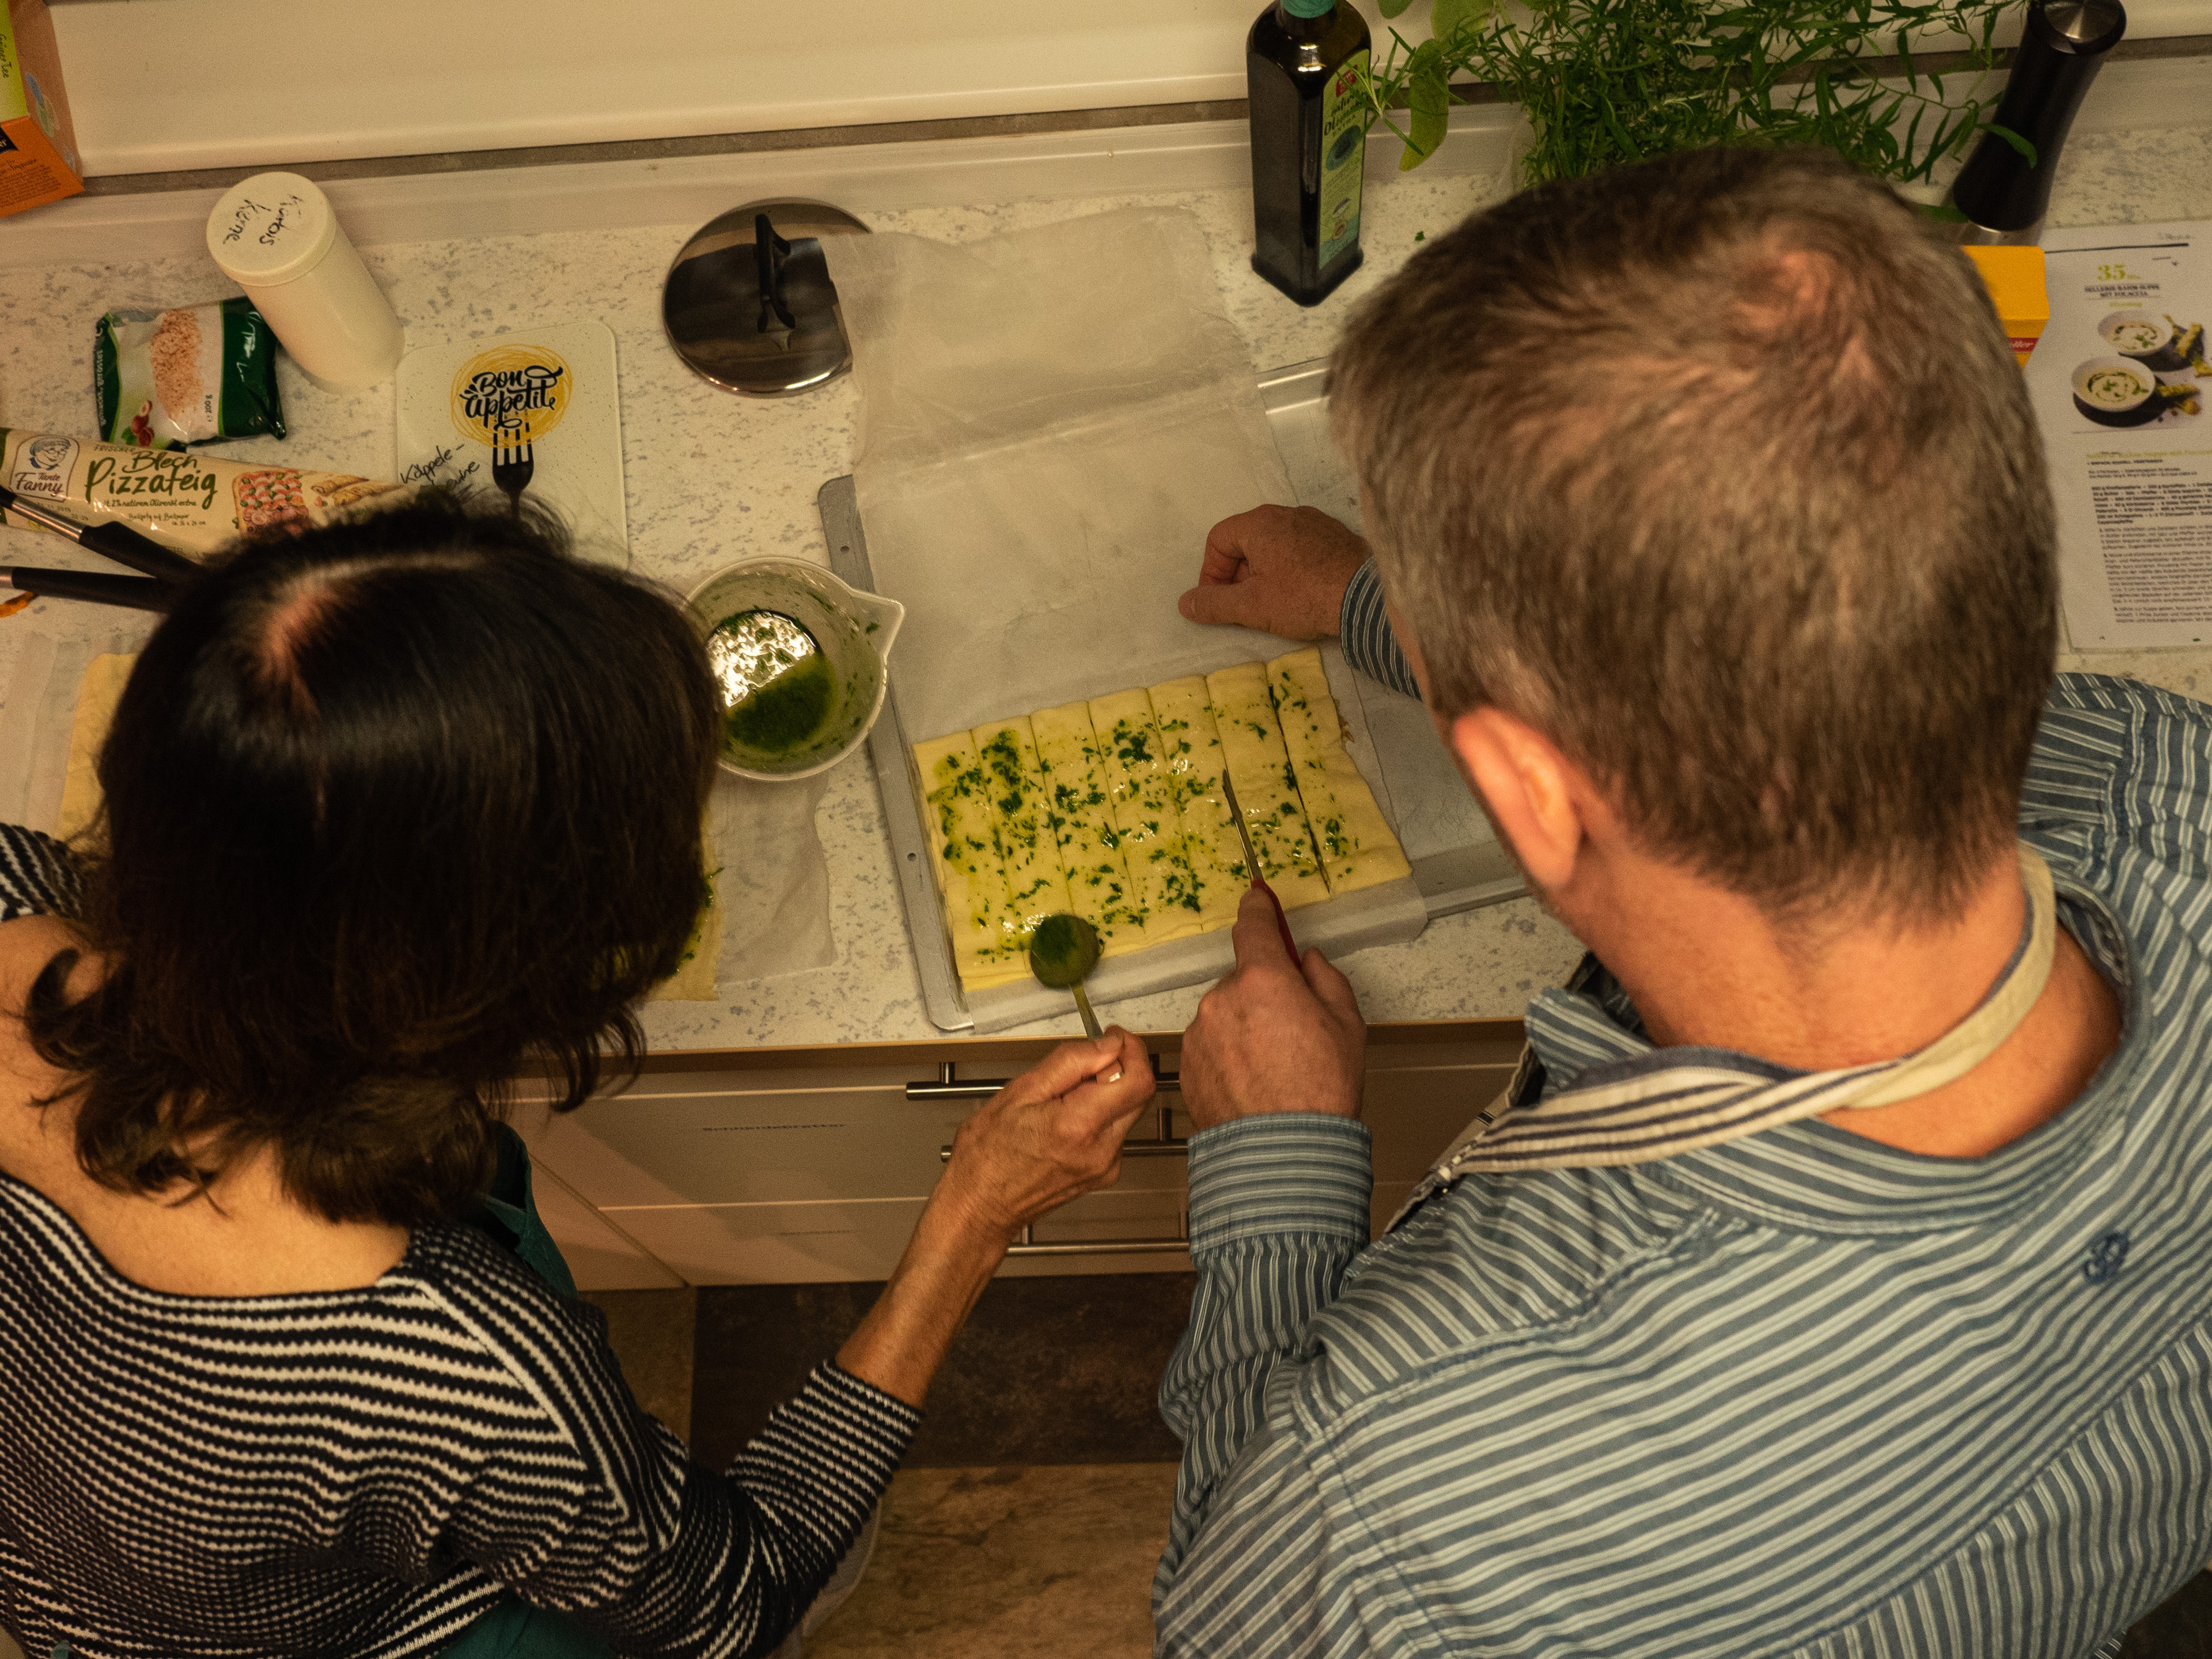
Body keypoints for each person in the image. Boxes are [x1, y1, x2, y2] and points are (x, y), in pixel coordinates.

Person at [1153, 144, 2212, 1655]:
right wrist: (1384, 606)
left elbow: (1240, 1592)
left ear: (1527, 790)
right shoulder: (2164, 772)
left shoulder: (1396, 1503)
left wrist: (1277, 1164)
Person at [0, 495, 1155, 1658]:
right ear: (491, 980)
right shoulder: (457, 1368)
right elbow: (730, 1600)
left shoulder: (19, 882)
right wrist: (976, 1213)